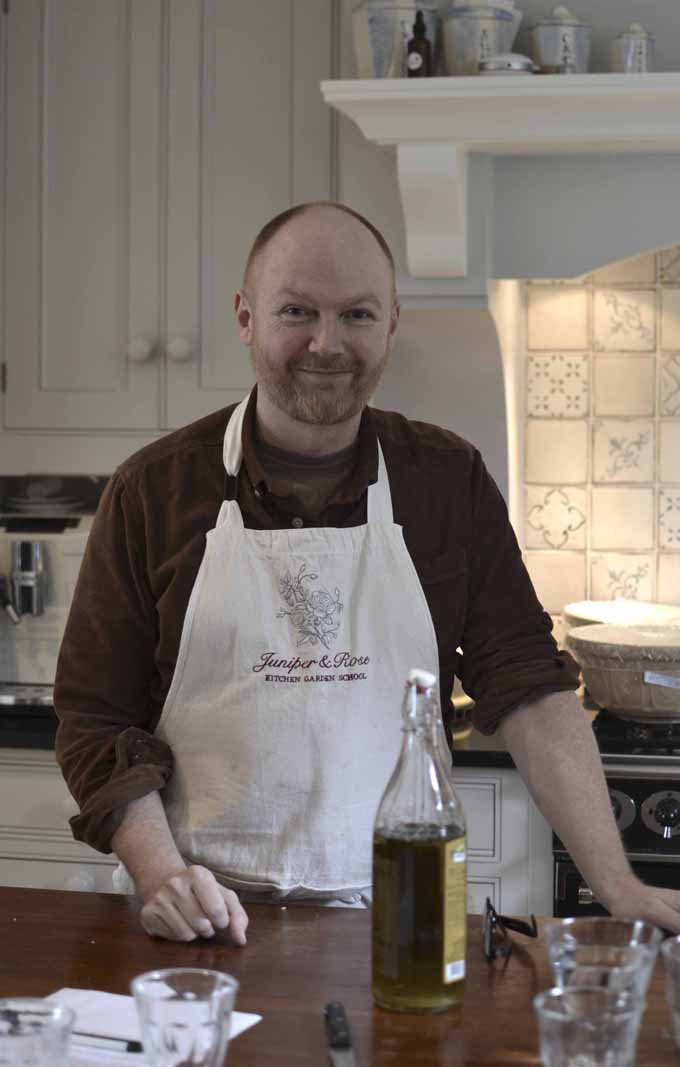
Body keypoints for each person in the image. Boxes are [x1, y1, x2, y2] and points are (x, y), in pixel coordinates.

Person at [54, 202, 680, 943]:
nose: (327, 342)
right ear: (246, 317)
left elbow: (530, 690)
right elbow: (97, 722)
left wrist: (619, 886)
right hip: (198, 921)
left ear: (390, 324)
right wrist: (163, 876)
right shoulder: (153, 491)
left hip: (399, 918)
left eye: (355, 314)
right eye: (297, 311)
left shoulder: (446, 481)